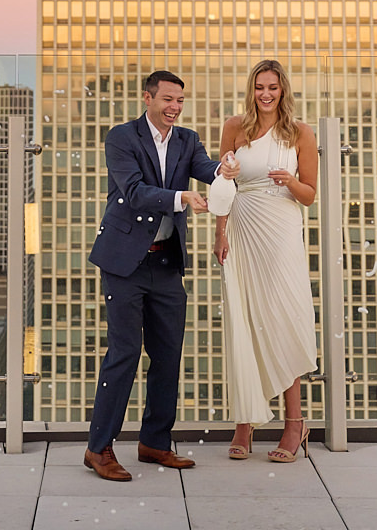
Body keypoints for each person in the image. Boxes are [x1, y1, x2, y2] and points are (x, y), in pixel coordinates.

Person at [84, 69, 240, 481]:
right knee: (124, 354)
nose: (174, 107)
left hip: (167, 263)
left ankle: (154, 442)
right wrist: (181, 197)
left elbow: (205, 168)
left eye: (179, 101)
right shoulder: (121, 137)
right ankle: (98, 448)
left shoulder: (186, 139)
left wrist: (225, 168)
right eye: (167, 99)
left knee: (168, 355)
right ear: (148, 98)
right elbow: (133, 191)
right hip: (125, 263)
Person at [213, 59, 318, 463]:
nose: (266, 94)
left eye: (273, 87)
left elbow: (309, 194)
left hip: (281, 231)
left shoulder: (301, 133)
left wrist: (290, 181)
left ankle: (295, 424)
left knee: (282, 319)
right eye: (259, 87)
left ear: (283, 90)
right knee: (244, 320)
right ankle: (246, 421)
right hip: (241, 228)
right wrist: (220, 233)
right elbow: (224, 183)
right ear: (251, 89)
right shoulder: (234, 126)